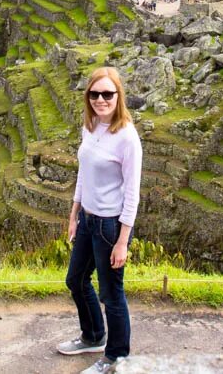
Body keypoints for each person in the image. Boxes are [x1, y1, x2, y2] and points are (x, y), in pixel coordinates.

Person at [58, 67, 143, 373]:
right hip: (88, 220)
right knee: (75, 280)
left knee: (111, 293)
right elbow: (84, 173)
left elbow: (132, 194)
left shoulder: (127, 138)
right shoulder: (91, 126)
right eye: (94, 94)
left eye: (107, 94)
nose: (100, 99)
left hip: (110, 227)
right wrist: (74, 212)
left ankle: (116, 356)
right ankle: (93, 335)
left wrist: (122, 241)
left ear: (119, 97)